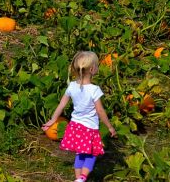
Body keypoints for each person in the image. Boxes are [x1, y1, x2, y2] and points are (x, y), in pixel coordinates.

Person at [42, 51, 117, 182]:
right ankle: (82, 177)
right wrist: (109, 126)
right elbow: (100, 111)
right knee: (92, 154)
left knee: (80, 154)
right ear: (93, 69)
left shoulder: (72, 86)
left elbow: (61, 104)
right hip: (89, 128)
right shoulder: (94, 90)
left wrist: (52, 120)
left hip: (75, 127)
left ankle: (78, 179)